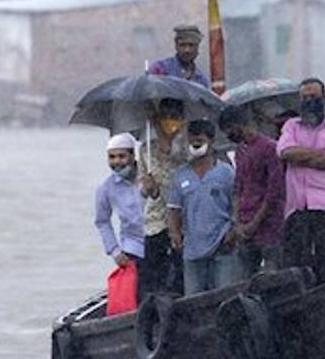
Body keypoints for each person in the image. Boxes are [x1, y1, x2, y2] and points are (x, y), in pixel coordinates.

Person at [276, 77, 325, 283]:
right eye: (305, 98)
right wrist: (321, 154)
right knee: (293, 275)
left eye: (314, 97)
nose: (310, 101)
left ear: (324, 99)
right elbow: (285, 152)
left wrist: (301, 156)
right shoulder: (291, 126)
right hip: (297, 210)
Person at [167, 120, 239, 295]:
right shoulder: (180, 175)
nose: (195, 144)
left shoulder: (226, 172)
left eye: (199, 140)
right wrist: (175, 234)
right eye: (192, 141)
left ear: (211, 141)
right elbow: (173, 209)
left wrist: (234, 230)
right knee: (193, 301)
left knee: (225, 297)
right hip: (192, 248)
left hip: (222, 244)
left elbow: (236, 203)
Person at [219, 104, 285, 277]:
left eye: (228, 130)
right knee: (245, 281)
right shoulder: (240, 151)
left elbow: (274, 191)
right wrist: (238, 223)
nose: (228, 135)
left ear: (238, 125)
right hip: (245, 228)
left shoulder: (270, 148)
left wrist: (255, 222)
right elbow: (239, 188)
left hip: (269, 226)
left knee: (272, 277)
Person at [94, 133, 159, 299]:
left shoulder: (151, 175)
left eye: (122, 156)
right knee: (141, 295)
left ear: (133, 155)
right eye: (112, 157)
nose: (117, 162)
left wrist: (153, 190)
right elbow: (102, 221)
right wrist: (114, 251)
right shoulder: (106, 187)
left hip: (159, 241)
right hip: (133, 247)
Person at [136, 98, 189, 295]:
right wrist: (148, 187)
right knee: (151, 279)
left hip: (184, 223)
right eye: (165, 117)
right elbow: (145, 190)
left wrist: (155, 121)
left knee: (179, 279)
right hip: (155, 222)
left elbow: (169, 151)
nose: (169, 122)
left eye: (174, 117)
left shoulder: (187, 147)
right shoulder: (145, 149)